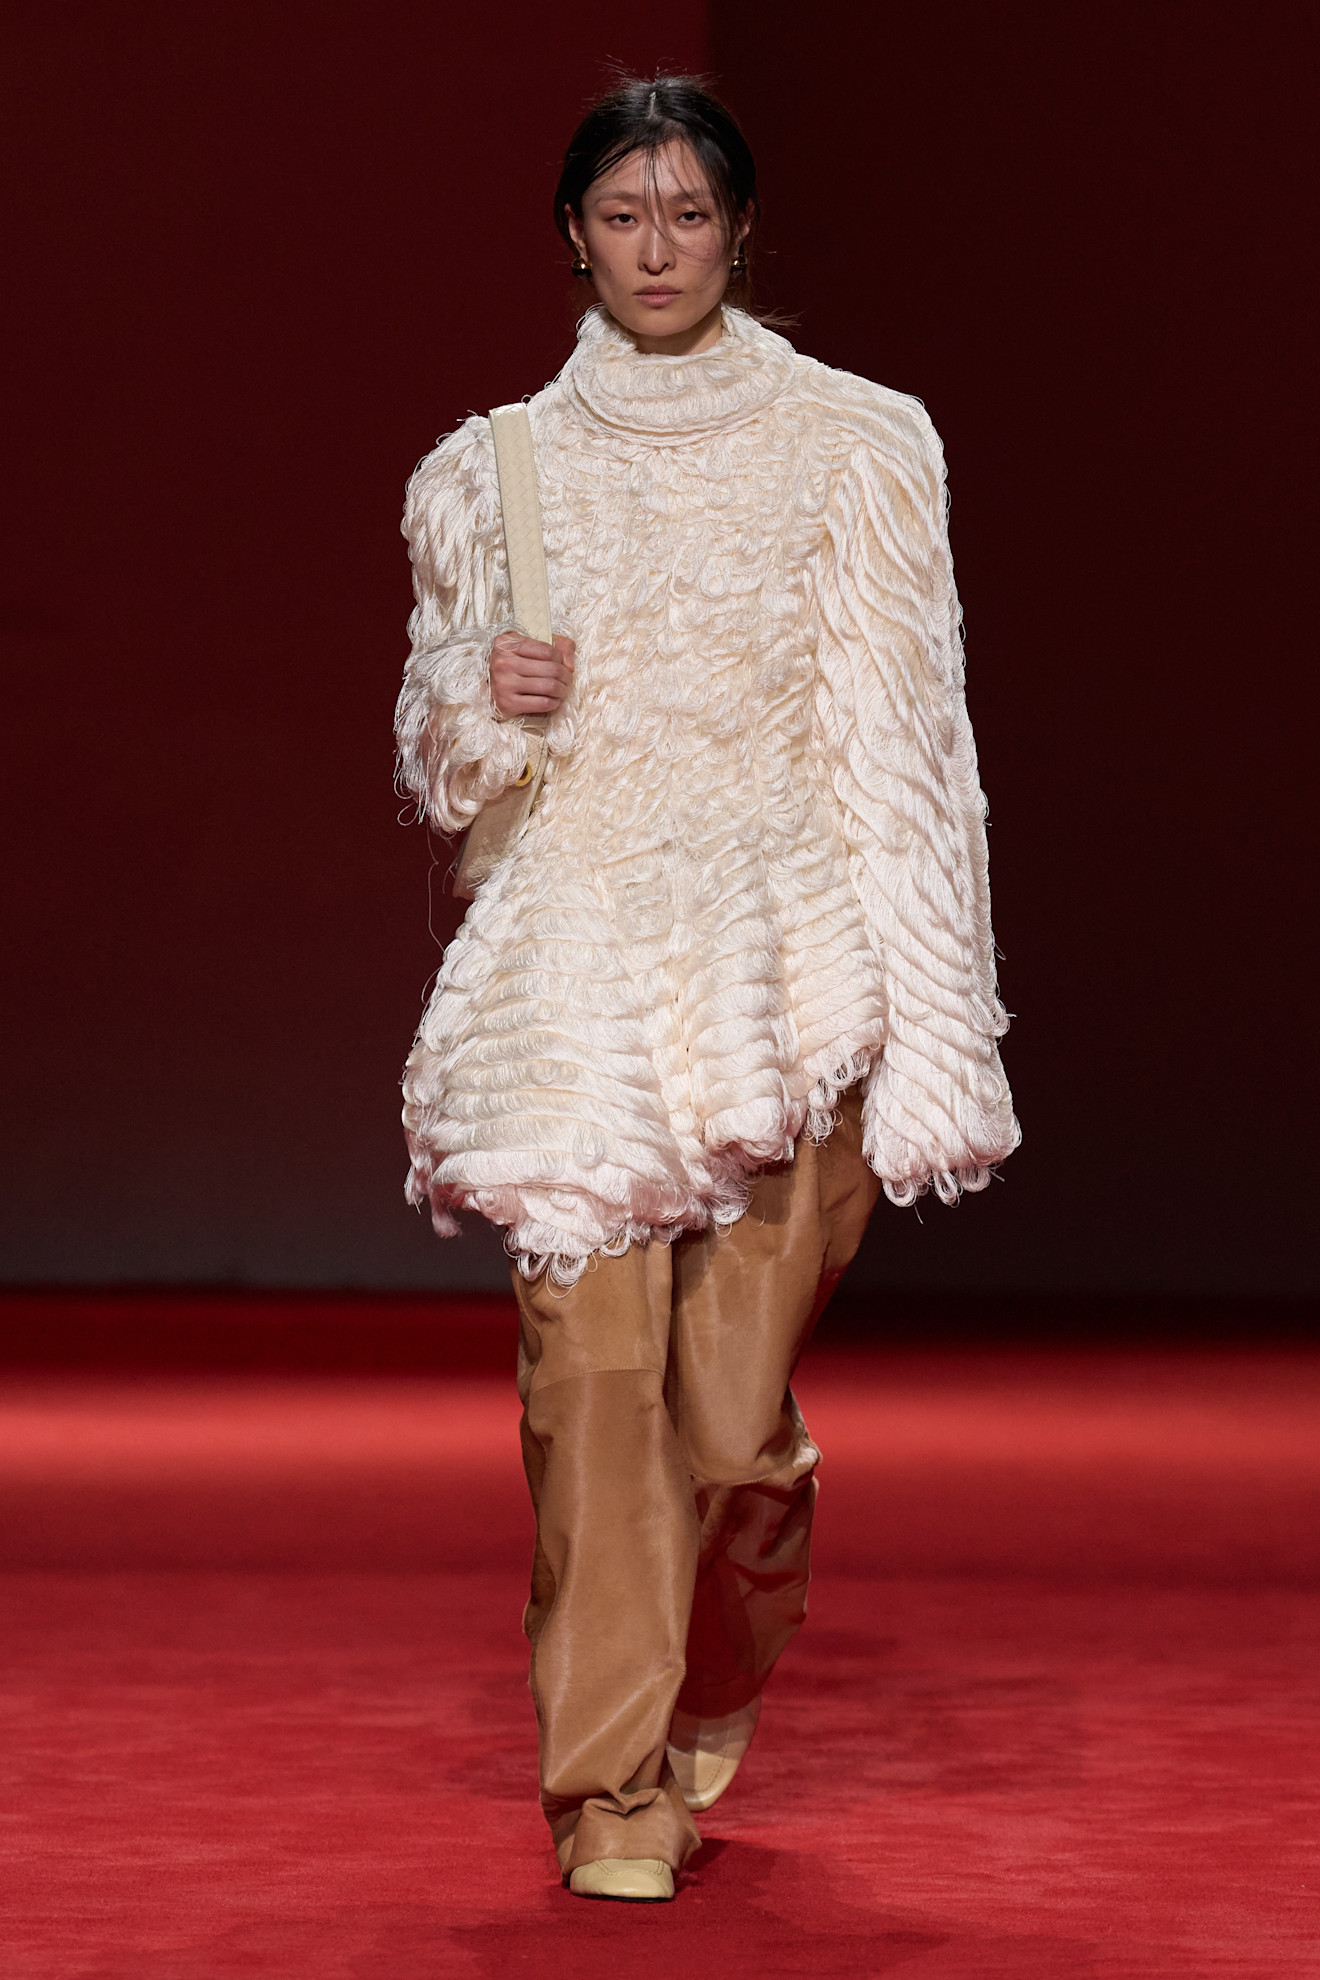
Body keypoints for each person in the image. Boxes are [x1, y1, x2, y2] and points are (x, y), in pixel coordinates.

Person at [394, 75, 1018, 1903]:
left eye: (686, 213)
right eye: (619, 212)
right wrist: (475, 708)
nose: (654, 247)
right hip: (575, 984)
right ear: (572, 236)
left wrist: (935, 1033)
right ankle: (606, 1793)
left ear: (742, 232)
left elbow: (911, 749)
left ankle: (699, 1684)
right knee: (588, 1398)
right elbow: (437, 738)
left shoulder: (858, 444)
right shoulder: (488, 469)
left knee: (735, 1442)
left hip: (786, 977)